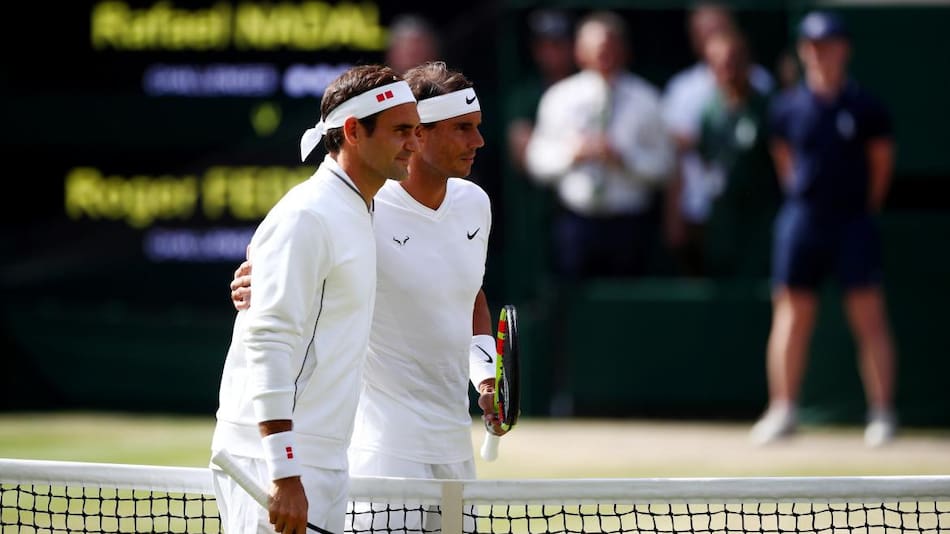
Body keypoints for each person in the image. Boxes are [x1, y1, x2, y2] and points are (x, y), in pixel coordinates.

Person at [230, 61, 504, 532]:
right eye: (462, 129)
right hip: (381, 451)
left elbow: (470, 294)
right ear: (422, 134)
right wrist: (254, 278)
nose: (477, 142)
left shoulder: (474, 202)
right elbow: (278, 287)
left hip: (456, 447)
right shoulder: (358, 207)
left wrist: (484, 375)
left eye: (477, 128)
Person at [209, 64, 421, 534]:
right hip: (277, 463)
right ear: (353, 132)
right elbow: (268, 342)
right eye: (401, 130)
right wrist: (284, 471)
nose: (414, 143)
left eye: (417, 130)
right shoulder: (309, 215)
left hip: (317, 457)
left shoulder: (356, 208)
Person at [750, 11, 898, 447]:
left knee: (869, 316)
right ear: (802, 51)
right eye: (812, 45)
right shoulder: (786, 108)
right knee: (791, 315)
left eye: (828, 44)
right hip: (802, 221)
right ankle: (783, 410)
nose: (820, 53)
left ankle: (883, 414)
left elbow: (880, 167)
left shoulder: (867, 108)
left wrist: (859, 207)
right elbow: (784, 161)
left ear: (844, 49)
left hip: (853, 221)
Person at [525, 10, 674, 280]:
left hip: (630, 227)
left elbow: (664, 167)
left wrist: (626, 158)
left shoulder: (647, 99)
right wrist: (573, 155)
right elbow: (536, 162)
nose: (604, 54)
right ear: (580, 52)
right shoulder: (559, 98)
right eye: (596, 47)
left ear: (624, 49)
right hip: (576, 224)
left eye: (610, 46)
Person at [661, 2, 774, 277]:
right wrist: (674, 214)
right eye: (703, 31)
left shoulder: (763, 88)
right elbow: (675, 156)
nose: (727, 69)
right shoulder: (683, 90)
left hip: (755, 213)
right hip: (703, 211)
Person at [695, 28, 781, 278]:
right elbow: (706, 160)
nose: (727, 69)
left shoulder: (769, 107)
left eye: (732, 61)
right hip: (723, 221)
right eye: (718, 63)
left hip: (761, 220)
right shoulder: (709, 112)